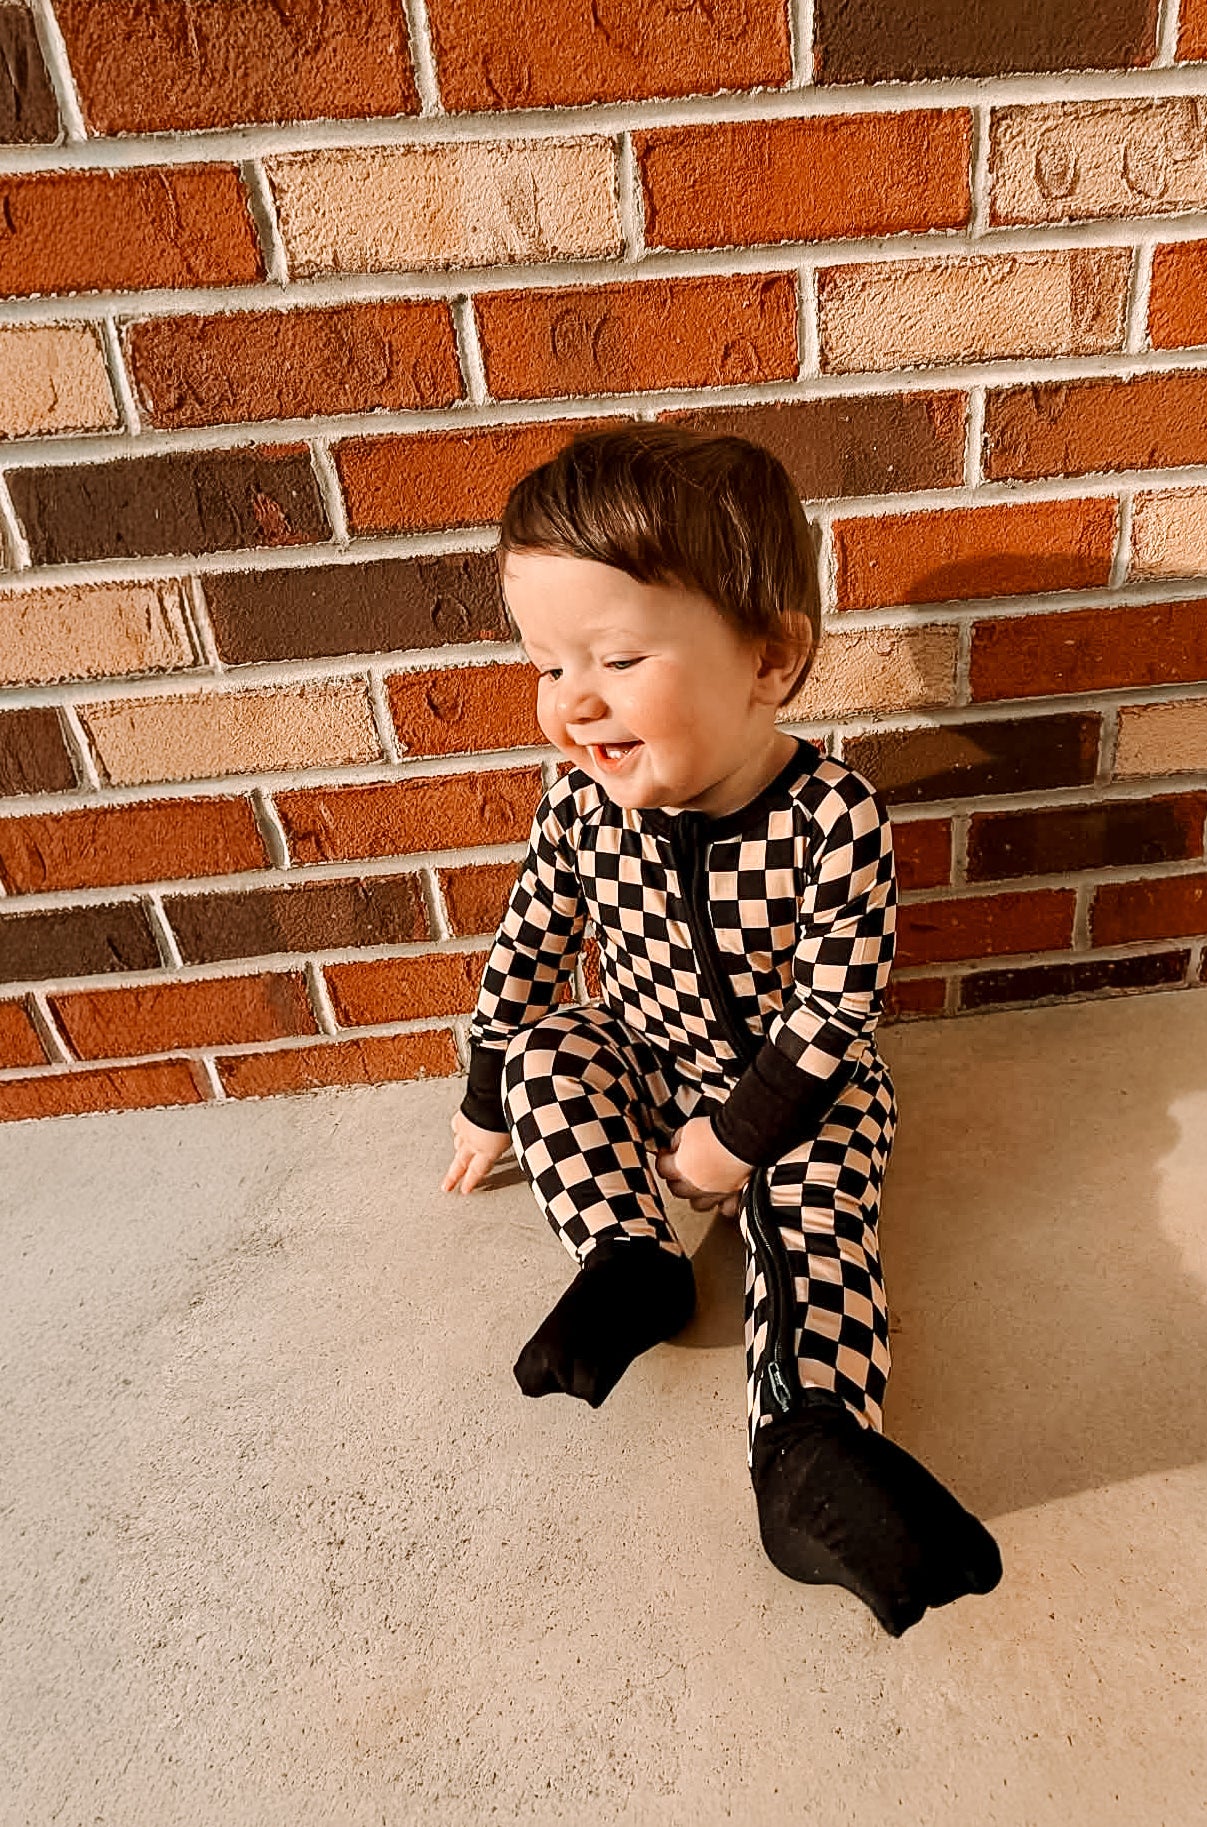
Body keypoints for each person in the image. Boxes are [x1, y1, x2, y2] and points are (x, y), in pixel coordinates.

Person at [441, 424, 1002, 1635]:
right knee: (555, 1056)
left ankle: (808, 1453)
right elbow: (530, 940)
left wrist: (728, 1149)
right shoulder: (581, 803)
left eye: (617, 657)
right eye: (545, 665)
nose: (572, 702)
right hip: (647, 1060)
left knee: (813, 1236)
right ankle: (632, 1263)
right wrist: (488, 1093)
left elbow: (828, 1015)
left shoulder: (831, 818)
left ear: (768, 657)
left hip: (798, 1097)